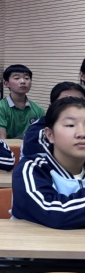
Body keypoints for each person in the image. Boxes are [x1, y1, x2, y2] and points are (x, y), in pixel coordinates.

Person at [13, 97, 85, 229]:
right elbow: (53, 213)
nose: (81, 133)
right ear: (50, 135)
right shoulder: (32, 168)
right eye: (70, 125)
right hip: (34, 241)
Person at [22, 82, 85, 159]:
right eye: (64, 103)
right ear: (51, 107)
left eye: (79, 101)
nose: (74, 107)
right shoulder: (36, 133)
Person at [0, 64, 45, 140]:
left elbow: (41, 137)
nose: (23, 81)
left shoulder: (39, 109)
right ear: (6, 83)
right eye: (17, 78)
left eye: (26, 78)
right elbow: (2, 141)